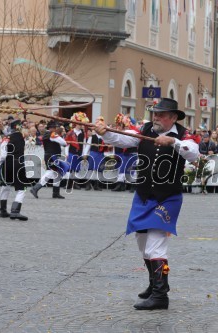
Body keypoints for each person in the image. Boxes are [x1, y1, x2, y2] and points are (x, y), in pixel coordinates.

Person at [94, 98, 199, 311]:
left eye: (160, 114)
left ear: (172, 117)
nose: (156, 117)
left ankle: (161, 296)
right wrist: (104, 132)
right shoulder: (146, 130)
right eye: (155, 114)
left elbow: (194, 153)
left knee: (155, 244)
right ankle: (154, 284)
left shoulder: (184, 136)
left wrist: (173, 143)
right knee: (143, 243)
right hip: (143, 196)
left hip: (167, 198)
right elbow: (124, 138)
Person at [30, 120, 68, 199]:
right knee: (50, 172)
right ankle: (35, 188)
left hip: (50, 155)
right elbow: (64, 143)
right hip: (52, 156)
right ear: (53, 128)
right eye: (56, 127)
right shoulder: (53, 134)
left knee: (58, 173)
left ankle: (55, 192)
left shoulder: (46, 134)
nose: (56, 129)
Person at [0, 119, 29, 220]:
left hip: (7, 163)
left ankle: (3, 211)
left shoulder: (6, 139)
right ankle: (15, 211)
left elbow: (2, 156)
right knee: (22, 188)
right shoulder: (21, 138)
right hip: (18, 164)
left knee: (5, 186)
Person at [112, 113, 138, 192]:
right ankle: (120, 185)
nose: (126, 126)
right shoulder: (124, 131)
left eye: (127, 124)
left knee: (133, 170)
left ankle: (133, 186)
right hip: (126, 152)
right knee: (122, 168)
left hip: (134, 153)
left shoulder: (135, 131)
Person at [83, 116, 108, 191]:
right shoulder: (92, 136)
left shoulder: (104, 137)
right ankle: (88, 184)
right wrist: (85, 154)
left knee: (98, 170)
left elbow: (107, 147)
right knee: (90, 169)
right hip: (93, 153)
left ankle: (96, 184)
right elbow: (88, 146)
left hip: (100, 155)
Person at [64, 112, 88, 190]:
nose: (81, 125)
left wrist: (84, 154)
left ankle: (75, 183)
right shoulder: (70, 133)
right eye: (79, 123)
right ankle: (68, 184)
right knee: (70, 169)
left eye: (81, 124)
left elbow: (84, 144)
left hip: (79, 153)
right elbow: (67, 145)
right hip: (71, 153)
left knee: (77, 169)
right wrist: (66, 153)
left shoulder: (83, 134)